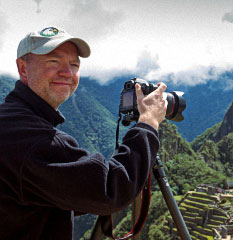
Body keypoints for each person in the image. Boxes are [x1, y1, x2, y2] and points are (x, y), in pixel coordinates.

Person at [0, 26, 167, 240]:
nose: (68, 73)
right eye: (54, 61)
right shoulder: (35, 140)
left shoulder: (8, 119)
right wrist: (149, 122)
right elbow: (111, 190)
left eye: (74, 65)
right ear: (23, 68)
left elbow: (33, 188)